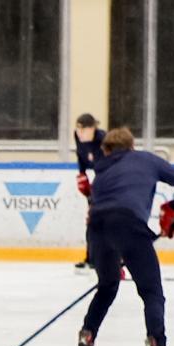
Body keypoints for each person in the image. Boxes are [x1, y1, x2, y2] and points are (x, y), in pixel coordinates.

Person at [74, 127, 174, 346]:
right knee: (151, 291)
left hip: (96, 228)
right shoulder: (144, 159)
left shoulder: (102, 170)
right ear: (131, 147)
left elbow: (104, 209)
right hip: (128, 224)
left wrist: (115, 251)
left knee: (107, 287)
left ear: (106, 150)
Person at [72, 113, 104, 271]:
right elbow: (80, 155)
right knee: (92, 221)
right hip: (96, 182)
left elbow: (111, 165)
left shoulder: (104, 140)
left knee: (107, 222)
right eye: (77, 129)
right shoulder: (77, 137)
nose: (79, 133)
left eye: (83, 129)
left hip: (109, 183)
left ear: (92, 128)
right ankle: (91, 257)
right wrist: (82, 174)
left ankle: (113, 259)